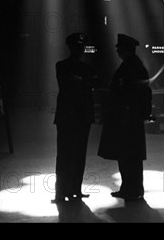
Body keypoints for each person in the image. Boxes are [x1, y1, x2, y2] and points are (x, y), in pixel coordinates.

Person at [98, 33, 152, 202]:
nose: (117, 51)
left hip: (127, 118)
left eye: (119, 48)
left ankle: (132, 188)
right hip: (128, 118)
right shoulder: (133, 65)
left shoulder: (131, 67)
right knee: (129, 155)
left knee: (128, 156)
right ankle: (130, 188)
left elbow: (132, 94)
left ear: (126, 49)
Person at [52, 33, 96, 203]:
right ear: (72, 48)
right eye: (78, 47)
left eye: (81, 47)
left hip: (73, 116)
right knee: (68, 155)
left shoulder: (65, 66)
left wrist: (79, 81)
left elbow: (78, 85)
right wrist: (83, 81)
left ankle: (71, 190)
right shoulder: (69, 67)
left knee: (75, 155)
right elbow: (85, 86)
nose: (80, 50)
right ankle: (64, 191)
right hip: (74, 117)